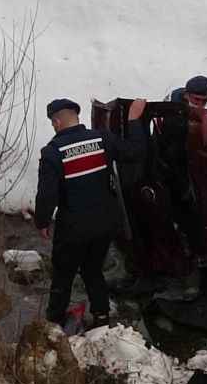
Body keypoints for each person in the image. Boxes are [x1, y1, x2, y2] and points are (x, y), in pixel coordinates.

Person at [34, 96, 145, 329]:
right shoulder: (102, 138)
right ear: (76, 117)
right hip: (105, 224)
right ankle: (102, 317)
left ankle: (54, 323)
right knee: (93, 270)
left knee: (63, 275)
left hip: (73, 229)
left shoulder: (53, 153)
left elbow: (47, 195)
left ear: (56, 122)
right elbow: (135, 152)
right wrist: (134, 120)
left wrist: (42, 222)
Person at [152, 75, 207, 264]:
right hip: (168, 172)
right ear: (187, 95)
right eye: (197, 100)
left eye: (204, 101)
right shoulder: (176, 120)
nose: (200, 105)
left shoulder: (177, 101)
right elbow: (175, 155)